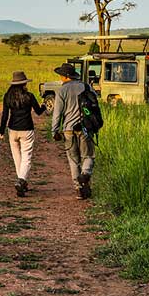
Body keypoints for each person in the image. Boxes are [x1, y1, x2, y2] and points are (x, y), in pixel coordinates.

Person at [50, 62, 96, 199]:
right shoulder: (86, 87)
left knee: (73, 160)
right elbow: (95, 105)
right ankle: (85, 173)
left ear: (65, 76)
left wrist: (54, 130)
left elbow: (57, 113)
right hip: (85, 127)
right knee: (88, 156)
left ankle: (79, 188)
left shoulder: (62, 91)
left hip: (68, 129)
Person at [0, 70, 44, 197]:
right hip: (27, 129)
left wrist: (1, 131)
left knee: (16, 157)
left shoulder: (8, 96)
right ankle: (21, 180)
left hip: (12, 129)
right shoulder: (29, 96)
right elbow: (38, 112)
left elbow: (5, 115)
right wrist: (44, 106)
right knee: (26, 157)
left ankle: (21, 182)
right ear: (24, 84)